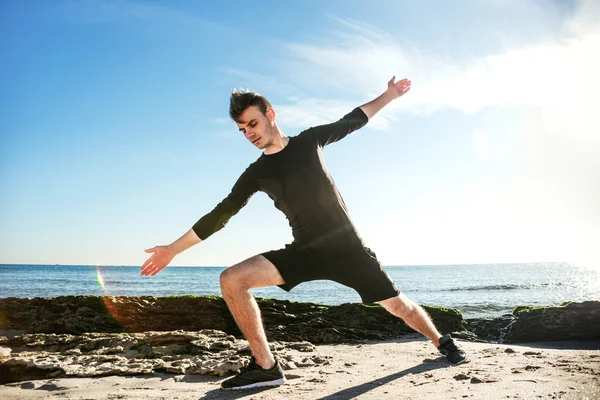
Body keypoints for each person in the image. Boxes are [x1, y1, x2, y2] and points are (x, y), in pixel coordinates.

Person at [141, 76, 468, 390]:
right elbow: (220, 215)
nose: (249, 134)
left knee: (400, 307)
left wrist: (390, 95)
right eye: (242, 130)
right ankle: (266, 367)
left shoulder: (309, 141)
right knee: (232, 279)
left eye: (252, 124)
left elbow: (353, 119)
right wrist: (172, 249)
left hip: (349, 249)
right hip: (306, 252)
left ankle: (441, 340)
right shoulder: (256, 173)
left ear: (270, 114)